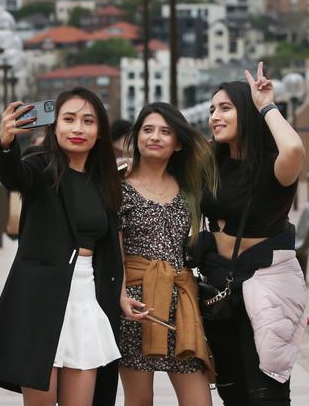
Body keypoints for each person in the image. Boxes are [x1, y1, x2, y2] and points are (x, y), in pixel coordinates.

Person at [0, 87, 124, 405]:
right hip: (40, 301)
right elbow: (14, 176)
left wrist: (121, 294)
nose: (78, 128)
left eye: (88, 121)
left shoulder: (105, 179)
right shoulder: (41, 166)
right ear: (54, 126)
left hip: (88, 302)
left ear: (100, 132)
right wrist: (5, 143)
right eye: (68, 119)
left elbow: (112, 247)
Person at [199, 64, 309, 405]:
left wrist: (266, 106)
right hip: (221, 286)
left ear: (246, 113)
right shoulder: (213, 163)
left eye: (225, 108)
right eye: (212, 110)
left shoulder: (274, 165)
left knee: (266, 394)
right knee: (232, 392)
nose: (215, 116)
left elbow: (294, 149)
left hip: (266, 287)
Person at [117, 103, 217, 406]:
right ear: (136, 138)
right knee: (140, 400)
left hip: (182, 303)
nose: (155, 137)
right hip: (135, 303)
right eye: (147, 130)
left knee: (199, 401)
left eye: (165, 131)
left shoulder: (190, 185)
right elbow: (114, 248)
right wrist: (120, 296)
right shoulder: (117, 185)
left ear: (177, 143)